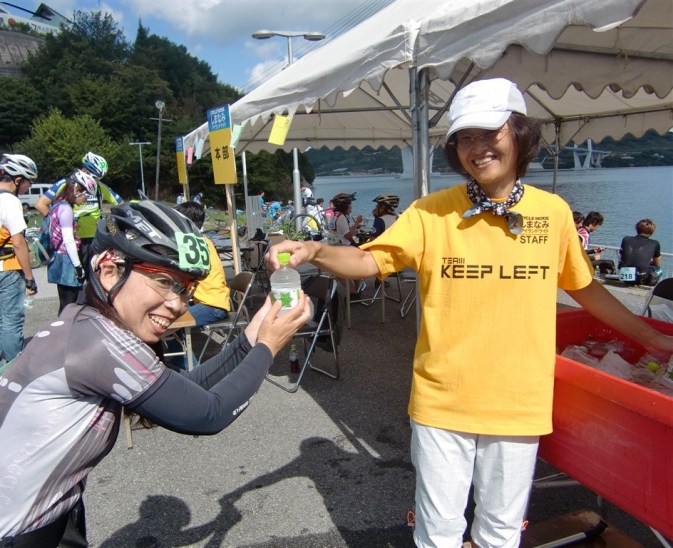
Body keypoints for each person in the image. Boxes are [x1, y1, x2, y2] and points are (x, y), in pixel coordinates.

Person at [267, 78, 673, 548]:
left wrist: (654, 339)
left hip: (520, 398)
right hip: (443, 397)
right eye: (464, 138)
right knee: (438, 531)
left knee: (501, 530)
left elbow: (586, 288)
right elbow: (369, 261)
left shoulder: (554, 213)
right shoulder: (431, 212)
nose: (476, 148)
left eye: (489, 133)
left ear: (519, 133)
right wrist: (316, 249)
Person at [0, 200, 311, 547]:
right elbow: (207, 414)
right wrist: (268, 347)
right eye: (165, 281)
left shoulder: (89, 323)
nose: (177, 303)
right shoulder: (96, 345)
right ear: (108, 270)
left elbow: (185, 389)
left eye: (186, 289)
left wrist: (261, 322)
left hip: (42, 516)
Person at [0, 154, 39, 381]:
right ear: (17, 179)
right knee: (12, 320)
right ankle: (15, 372)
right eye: (28, 182)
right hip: (7, 267)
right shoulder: (10, 201)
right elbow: (18, 242)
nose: (28, 186)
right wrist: (29, 277)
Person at [35, 152, 123, 280]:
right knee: (75, 281)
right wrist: (56, 225)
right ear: (84, 170)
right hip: (71, 239)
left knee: (95, 278)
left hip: (94, 239)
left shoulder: (99, 187)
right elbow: (40, 204)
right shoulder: (65, 184)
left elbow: (120, 205)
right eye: (94, 177)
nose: (96, 181)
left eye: (99, 179)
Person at [47, 171, 98, 314]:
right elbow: (68, 240)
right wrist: (78, 266)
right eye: (85, 194)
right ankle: (65, 332)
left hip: (57, 257)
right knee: (70, 303)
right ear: (76, 190)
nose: (86, 198)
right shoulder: (67, 210)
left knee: (64, 301)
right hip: (66, 259)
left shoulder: (57, 206)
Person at [174, 201, 230, 327]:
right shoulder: (203, 240)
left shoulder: (192, 243)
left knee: (173, 322)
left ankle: (178, 347)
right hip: (210, 301)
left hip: (213, 305)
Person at [326, 192, 365, 294]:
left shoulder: (335, 216)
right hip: (343, 248)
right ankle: (354, 292)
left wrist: (354, 226)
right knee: (350, 272)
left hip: (334, 247)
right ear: (345, 206)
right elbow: (348, 235)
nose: (351, 208)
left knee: (342, 274)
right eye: (350, 205)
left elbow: (341, 231)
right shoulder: (342, 218)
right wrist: (357, 223)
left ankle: (356, 291)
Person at [619, 218, 662, 286]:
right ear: (652, 231)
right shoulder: (655, 243)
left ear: (637, 228)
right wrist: (648, 260)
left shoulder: (626, 239)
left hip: (625, 277)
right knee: (658, 269)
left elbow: (622, 259)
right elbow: (658, 263)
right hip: (641, 278)